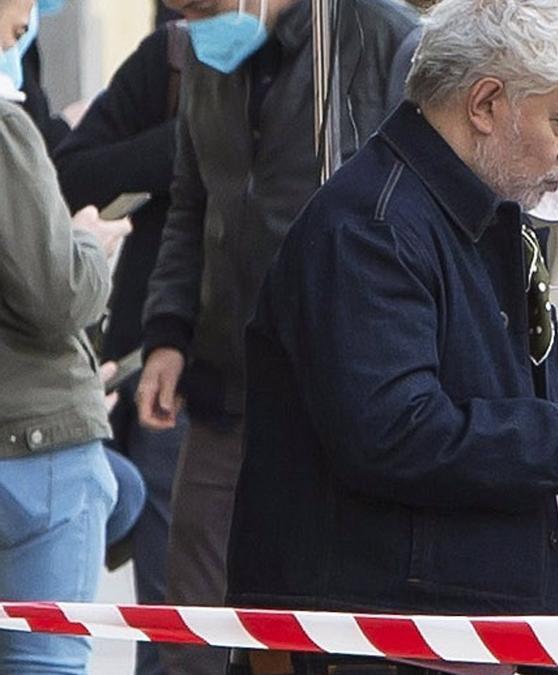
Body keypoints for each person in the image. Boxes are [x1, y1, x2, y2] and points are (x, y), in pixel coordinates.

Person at [226, 1, 558, 671]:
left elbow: (500, 444)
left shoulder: (480, 217)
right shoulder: (373, 228)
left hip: (453, 631)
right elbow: (393, 434)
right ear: (485, 103)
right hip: (387, 641)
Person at [134, 1, 418, 672]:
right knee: (192, 631)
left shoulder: (385, 40)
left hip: (339, 394)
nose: (192, 22)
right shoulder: (207, 51)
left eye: (204, 6)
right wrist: (168, 333)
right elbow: (192, 199)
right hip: (226, 385)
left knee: (313, 628)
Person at [0, 2, 133, 672]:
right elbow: (56, 296)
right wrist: (87, 242)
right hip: (35, 445)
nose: (20, 33)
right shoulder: (5, 132)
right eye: (18, 25)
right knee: (44, 660)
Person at [54, 19, 189, 675]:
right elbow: (71, 174)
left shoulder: (352, 51)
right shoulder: (172, 60)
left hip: (294, 376)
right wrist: (190, 145)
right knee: (174, 623)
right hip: (169, 379)